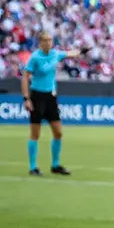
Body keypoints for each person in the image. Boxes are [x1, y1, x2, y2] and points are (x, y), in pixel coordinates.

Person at [21, 32, 85, 176]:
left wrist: (83, 50)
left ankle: (55, 165)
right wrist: (26, 98)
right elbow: (25, 78)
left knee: (58, 132)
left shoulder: (55, 54)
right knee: (35, 133)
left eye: (50, 40)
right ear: (40, 42)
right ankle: (33, 167)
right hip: (37, 96)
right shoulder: (35, 57)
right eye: (46, 40)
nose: (49, 43)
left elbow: (70, 54)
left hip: (51, 97)